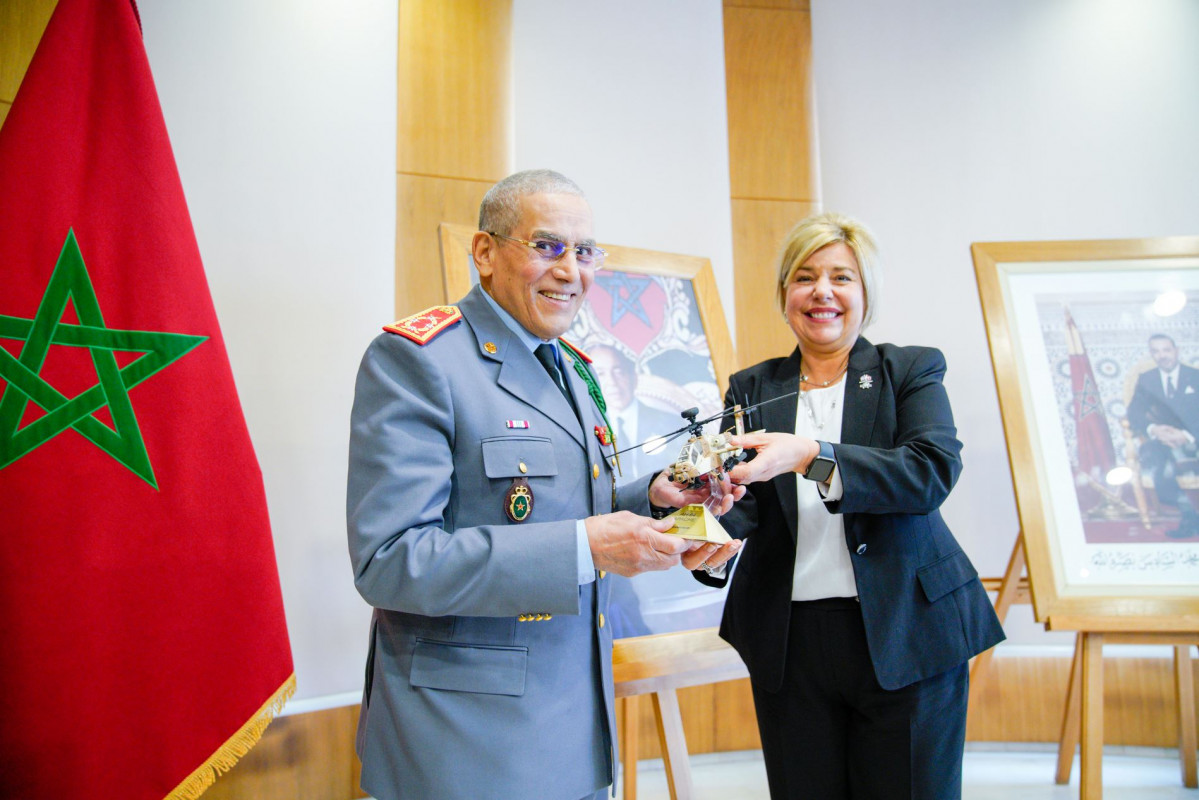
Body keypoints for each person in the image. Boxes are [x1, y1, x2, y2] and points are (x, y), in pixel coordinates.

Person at [346, 169, 740, 800]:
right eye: (547, 246)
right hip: (467, 743)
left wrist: (655, 496)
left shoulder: (573, 368)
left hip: (576, 721)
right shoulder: (419, 361)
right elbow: (390, 561)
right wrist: (586, 549)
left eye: (585, 253)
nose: (570, 271)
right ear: (485, 251)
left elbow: (562, 506)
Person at [691, 211, 1004, 799]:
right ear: (785, 293)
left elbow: (929, 471)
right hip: (790, 640)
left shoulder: (908, 369)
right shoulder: (751, 388)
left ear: (866, 294)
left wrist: (812, 455)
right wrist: (702, 529)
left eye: (842, 277)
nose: (822, 292)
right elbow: (744, 504)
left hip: (906, 629)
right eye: (805, 276)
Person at [1126, 333, 1199, 538]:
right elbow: (1133, 414)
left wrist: (1187, 435)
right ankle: (1189, 514)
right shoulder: (1146, 379)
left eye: (1166, 350)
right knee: (1152, 457)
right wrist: (1153, 430)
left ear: (1176, 351)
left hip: (1193, 440)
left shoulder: (1195, 376)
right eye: (1155, 351)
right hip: (1162, 441)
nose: (1162, 355)